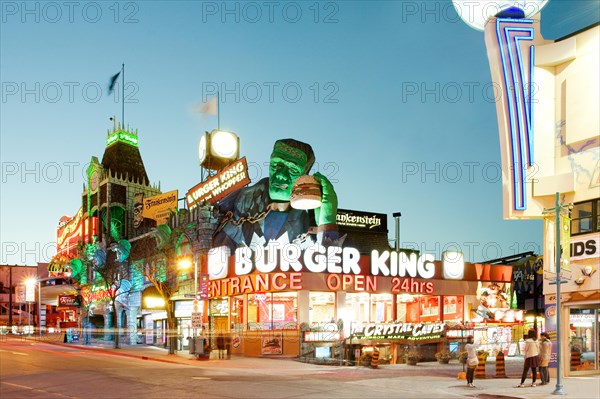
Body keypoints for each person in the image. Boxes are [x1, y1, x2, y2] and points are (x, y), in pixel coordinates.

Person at [213, 139, 339, 250]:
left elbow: (326, 271)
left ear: (304, 176)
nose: (281, 175)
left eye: (293, 170)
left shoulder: (306, 221)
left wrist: (327, 222)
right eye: (277, 165)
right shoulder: (238, 203)